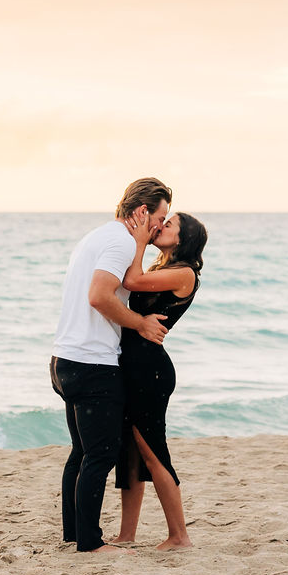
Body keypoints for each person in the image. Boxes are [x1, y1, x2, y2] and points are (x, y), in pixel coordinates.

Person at [49, 177, 173, 554]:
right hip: (93, 363)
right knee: (100, 455)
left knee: (81, 453)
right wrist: (141, 323)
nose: (160, 226)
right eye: (160, 216)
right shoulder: (120, 242)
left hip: (63, 359)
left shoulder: (97, 236)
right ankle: (89, 543)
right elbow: (99, 295)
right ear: (141, 211)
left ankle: (75, 535)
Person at [111, 209, 208, 551]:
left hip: (150, 371)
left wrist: (138, 241)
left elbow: (131, 282)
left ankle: (179, 536)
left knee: (153, 451)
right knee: (131, 454)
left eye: (169, 225)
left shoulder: (184, 274)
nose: (161, 227)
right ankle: (127, 535)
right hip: (134, 364)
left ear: (184, 239)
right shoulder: (162, 268)